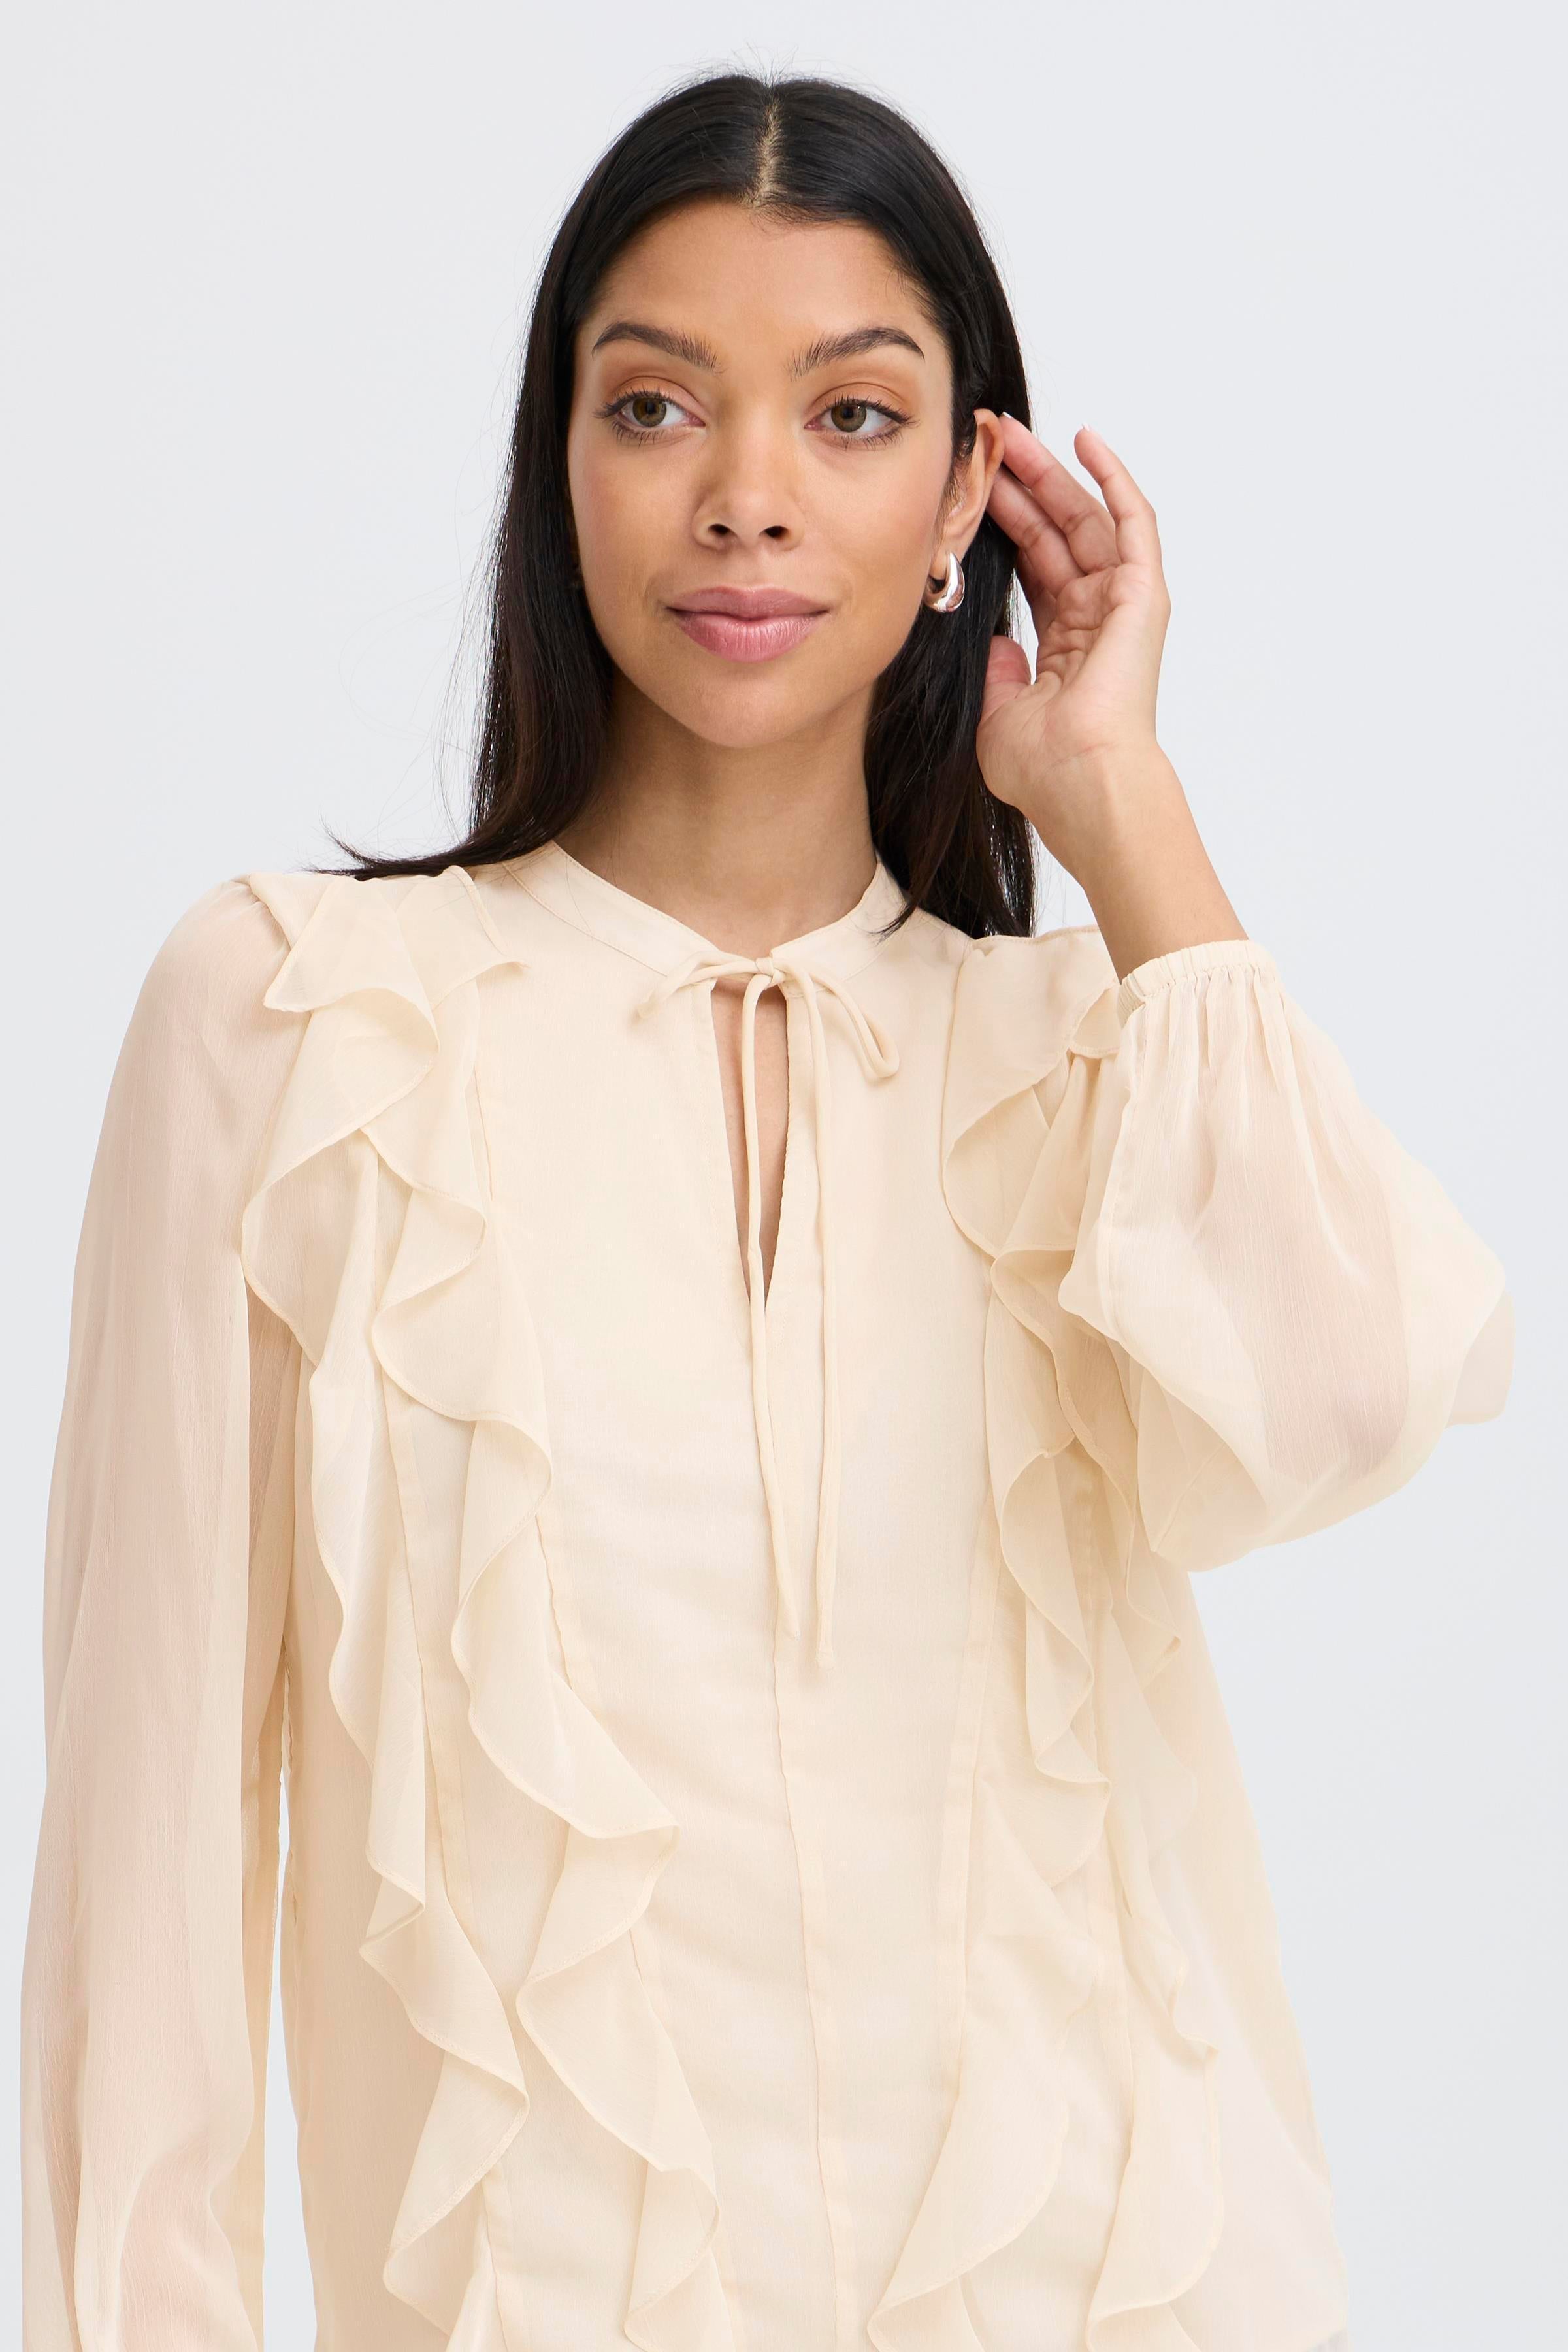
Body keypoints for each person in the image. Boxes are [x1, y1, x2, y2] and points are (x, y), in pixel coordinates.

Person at [19, 66, 1511, 2352]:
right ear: (562, 470)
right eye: (655, 408)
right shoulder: (295, 1028)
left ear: (964, 503)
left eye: (848, 414)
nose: (742, 500)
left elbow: (1344, 1411)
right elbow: (145, 1880)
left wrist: (1118, 807)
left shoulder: (1083, 1049)